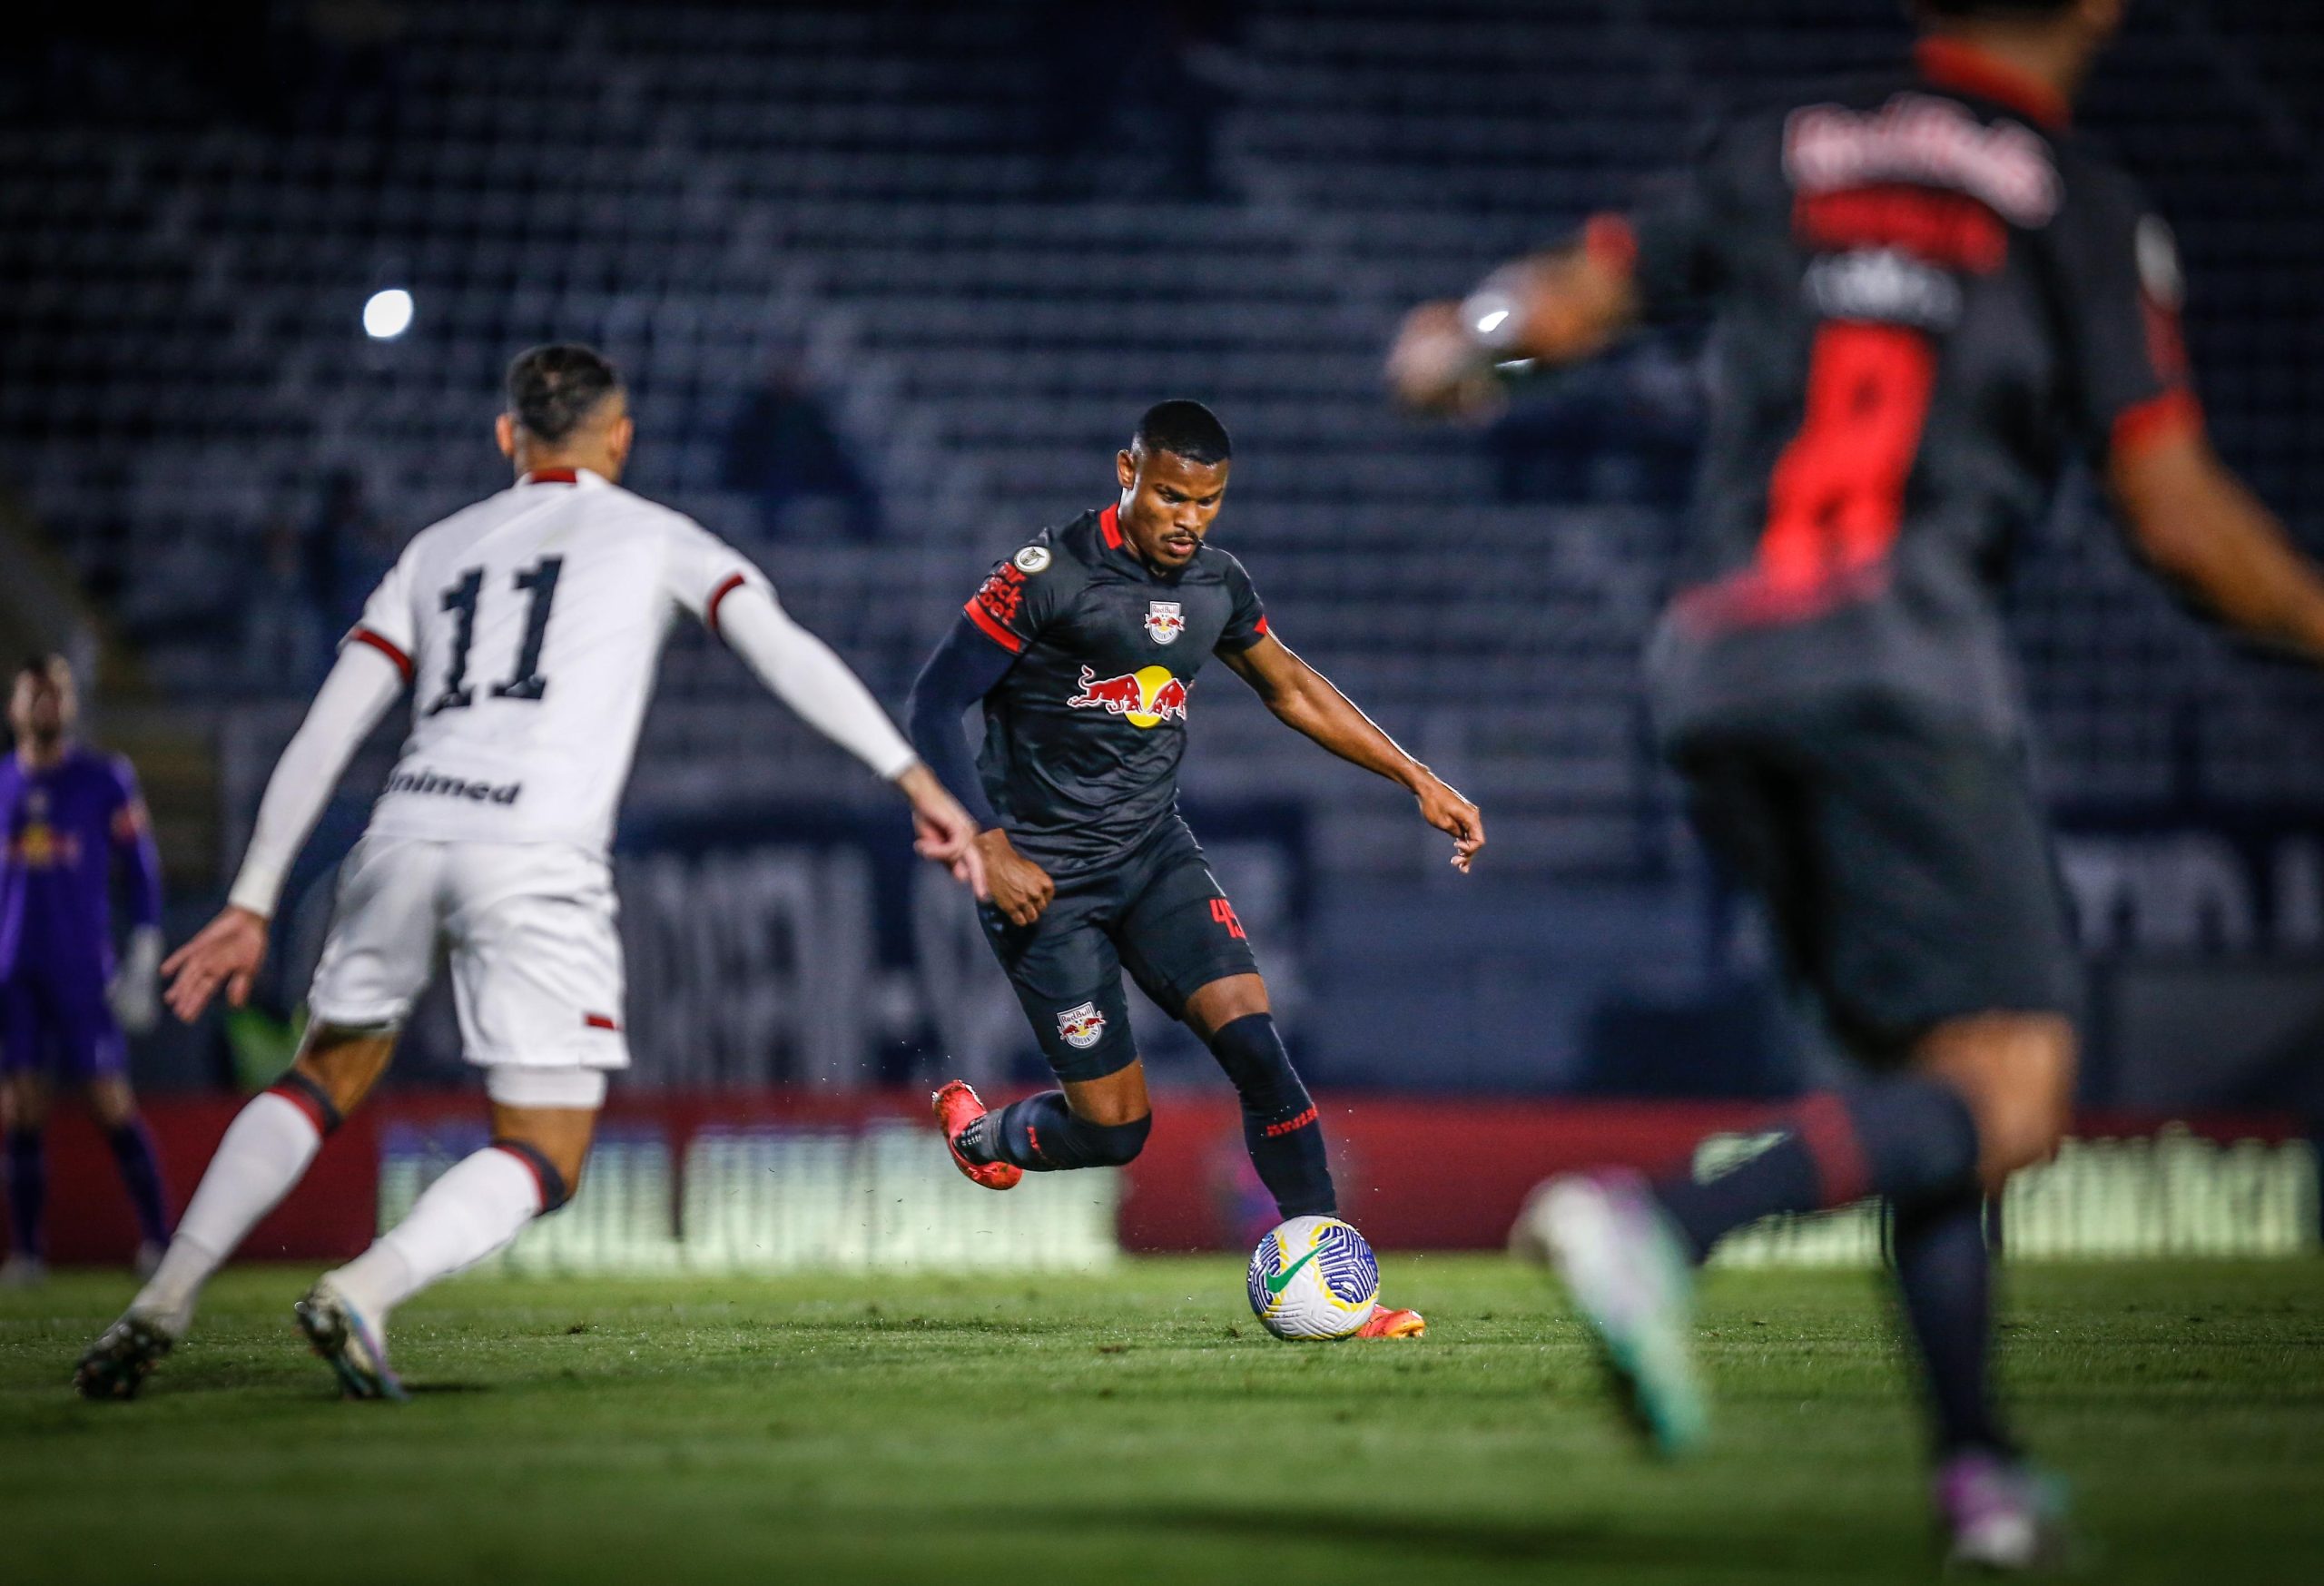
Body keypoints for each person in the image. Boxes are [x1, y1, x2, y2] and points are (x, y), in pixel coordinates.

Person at [1388, 0, 2324, 1568]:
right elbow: (2170, 509)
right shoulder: (2077, 206)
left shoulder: (1786, 147)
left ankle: (1983, 1479)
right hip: (1898, 668)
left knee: (1928, 1085)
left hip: (1715, 671)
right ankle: (1663, 1224)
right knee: (2009, 1093)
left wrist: (1463, 345)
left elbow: (1564, 299)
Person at [75, 344, 985, 1401]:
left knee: (318, 1077)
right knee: (546, 1148)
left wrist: (250, 897)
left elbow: (327, 732)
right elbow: (776, 645)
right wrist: (912, 775)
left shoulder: (437, 549)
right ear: (621, 436)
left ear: (508, 436)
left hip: (406, 829)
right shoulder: (652, 535)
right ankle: (363, 1289)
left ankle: (163, 1295)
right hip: (536, 849)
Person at [906, 399, 1484, 1340]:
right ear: (1125, 471)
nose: (1188, 518)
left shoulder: (1217, 584)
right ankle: (984, 1138)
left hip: (1153, 857)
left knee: (1256, 1047)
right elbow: (934, 700)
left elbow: (1289, 684)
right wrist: (983, 840)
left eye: (1208, 502)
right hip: (1044, 880)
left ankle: (1341, 1291)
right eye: (1170, 495)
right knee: (1114, 1128)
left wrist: (1413, 775)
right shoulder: (1045, 575)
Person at [1, 655, 170, 1285]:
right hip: (13, 972)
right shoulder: (0, 784)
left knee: (109, 1100)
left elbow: (142, 867)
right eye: (34, 691)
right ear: (14, 705)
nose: (46, 702)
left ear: (70, 704)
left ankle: (159, 1238)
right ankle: (26, 1254)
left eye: (57, 692)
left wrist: (144, 950)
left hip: (79, 970)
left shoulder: (105, 778)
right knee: (19, 1107)